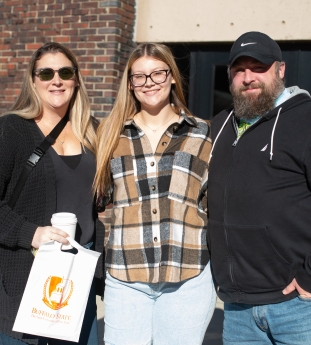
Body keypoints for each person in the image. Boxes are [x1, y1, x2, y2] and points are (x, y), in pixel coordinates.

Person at [0, 42, 104, 345]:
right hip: (21, 279)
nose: (56, 80)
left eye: (65, 72)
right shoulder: (9, 130)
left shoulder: (92, 132)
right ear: (33, 80)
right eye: (46, 73)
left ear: (76, 79)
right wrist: (31, 233)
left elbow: (96, 205)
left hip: (76, 282)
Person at [94, 43, 216, 345]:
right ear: (130, 83)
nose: (149, 83)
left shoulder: (203, 134)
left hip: (187, 275)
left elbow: (214, 203)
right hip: (126, 276)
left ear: (172, 76)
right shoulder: (109, 134)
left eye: (157, 73)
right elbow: (97, 196)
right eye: (140, 77)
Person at [207, 31, 311, 345]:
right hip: (237, 309)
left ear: (281, 69)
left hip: (301, 307)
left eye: (258, 67)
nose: (248, 77)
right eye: (239, 69)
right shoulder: (219, 126)